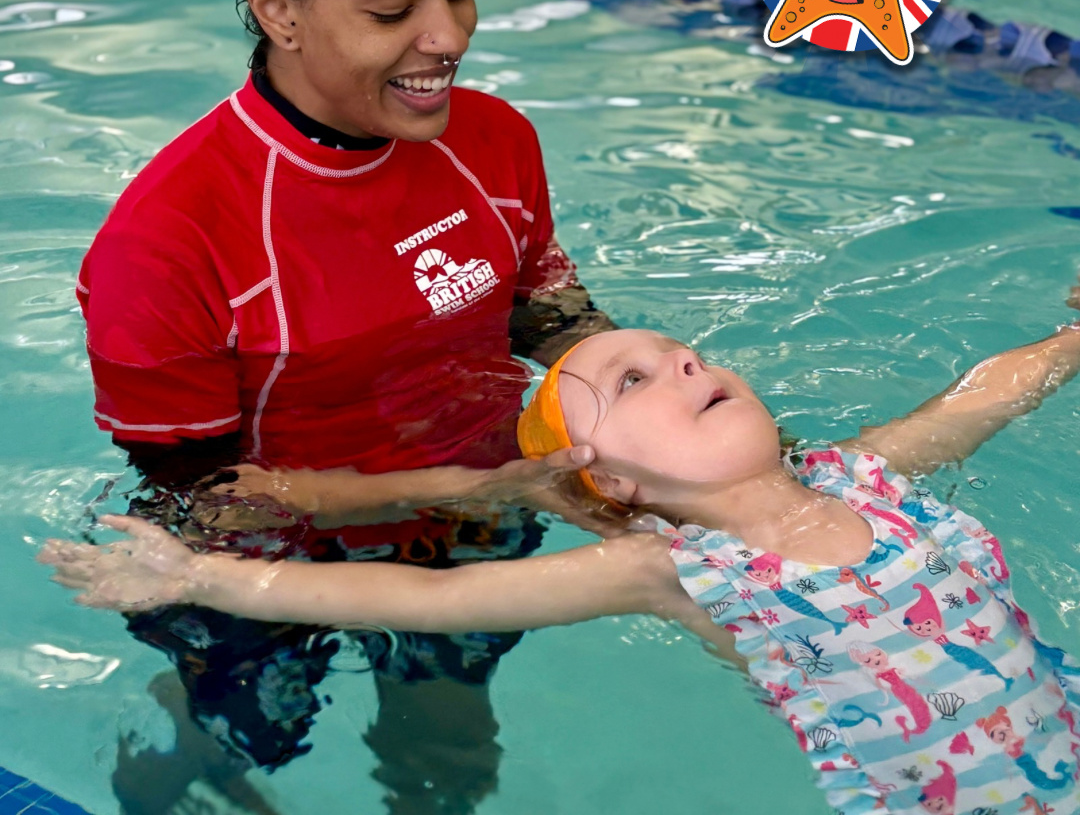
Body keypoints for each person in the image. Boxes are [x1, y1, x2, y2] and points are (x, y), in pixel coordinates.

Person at [75, 0, 614, 810]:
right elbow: (204, 497)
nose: (447, 36)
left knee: (452, 759)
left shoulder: (495, 142)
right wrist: (478, 486)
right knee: (234, 750)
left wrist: (642, 386)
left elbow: (538, 303)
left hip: (477, 522)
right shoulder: (168, 244)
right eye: (390, 8)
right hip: (266, 567)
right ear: (278, 10)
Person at [44, 309, 1080, 814]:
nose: (683, 361)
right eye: (636, 381)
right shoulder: (676, 570)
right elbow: (422, 597)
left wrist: (1073, 336)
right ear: (614, 484)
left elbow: (981, 396)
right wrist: (207, 578)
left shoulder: (863, 474)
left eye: (683, 356)